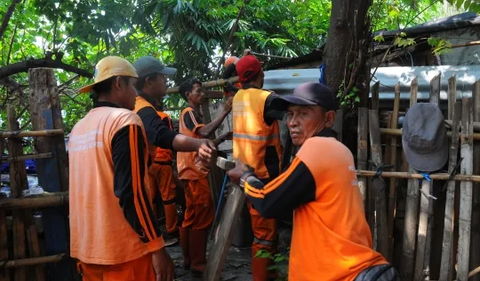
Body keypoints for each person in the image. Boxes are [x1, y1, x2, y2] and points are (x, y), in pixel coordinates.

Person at [228, 82, 397, 281]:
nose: (292, 122)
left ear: (329, 118)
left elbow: (267, 202)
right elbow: (291, 203)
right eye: (290, 114)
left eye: (303, 114)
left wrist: (245, 177)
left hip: (335, 273)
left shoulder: (317, 148)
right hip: (352, 267)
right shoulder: (340, 151)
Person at [69, 56, 195, 281]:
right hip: (124, 254)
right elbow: (132, 193)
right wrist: (157, 247)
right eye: (133, 85)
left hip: (87, 253)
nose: (136, 94)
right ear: (119, 84)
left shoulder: (79, 128)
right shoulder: (124, 121)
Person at [132, 56, 216, 246]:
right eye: (162, 77)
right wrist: (198, 144)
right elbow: (163, 135)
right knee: (195, 212)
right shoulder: (143, 109)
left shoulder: (139, 106)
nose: (166, 81)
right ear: (149, 81)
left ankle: (189, 259)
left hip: (150, 171)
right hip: (186, 170)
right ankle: (194, 260)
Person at [231, 54, 286, 281]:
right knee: (264, 235)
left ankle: (269, 275)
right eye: (261, 71)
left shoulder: (238, 97)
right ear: (255, 75)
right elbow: (292, 109)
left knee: (265, 232)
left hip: (243, 171)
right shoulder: (268, 100)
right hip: (262, 177)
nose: (264, 74)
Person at [176, 78, 233, 276]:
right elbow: (206, 131)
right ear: (187, 96)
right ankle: (198, 264)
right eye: (198, 91)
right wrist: (225, 111)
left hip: (188, 171)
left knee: (191, 218)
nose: (202, 94)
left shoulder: (193, 116)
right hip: (194, 172)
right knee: (202, 217)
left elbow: (203, 141)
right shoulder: (189, 113)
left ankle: (188, 259)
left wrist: (223, 138)